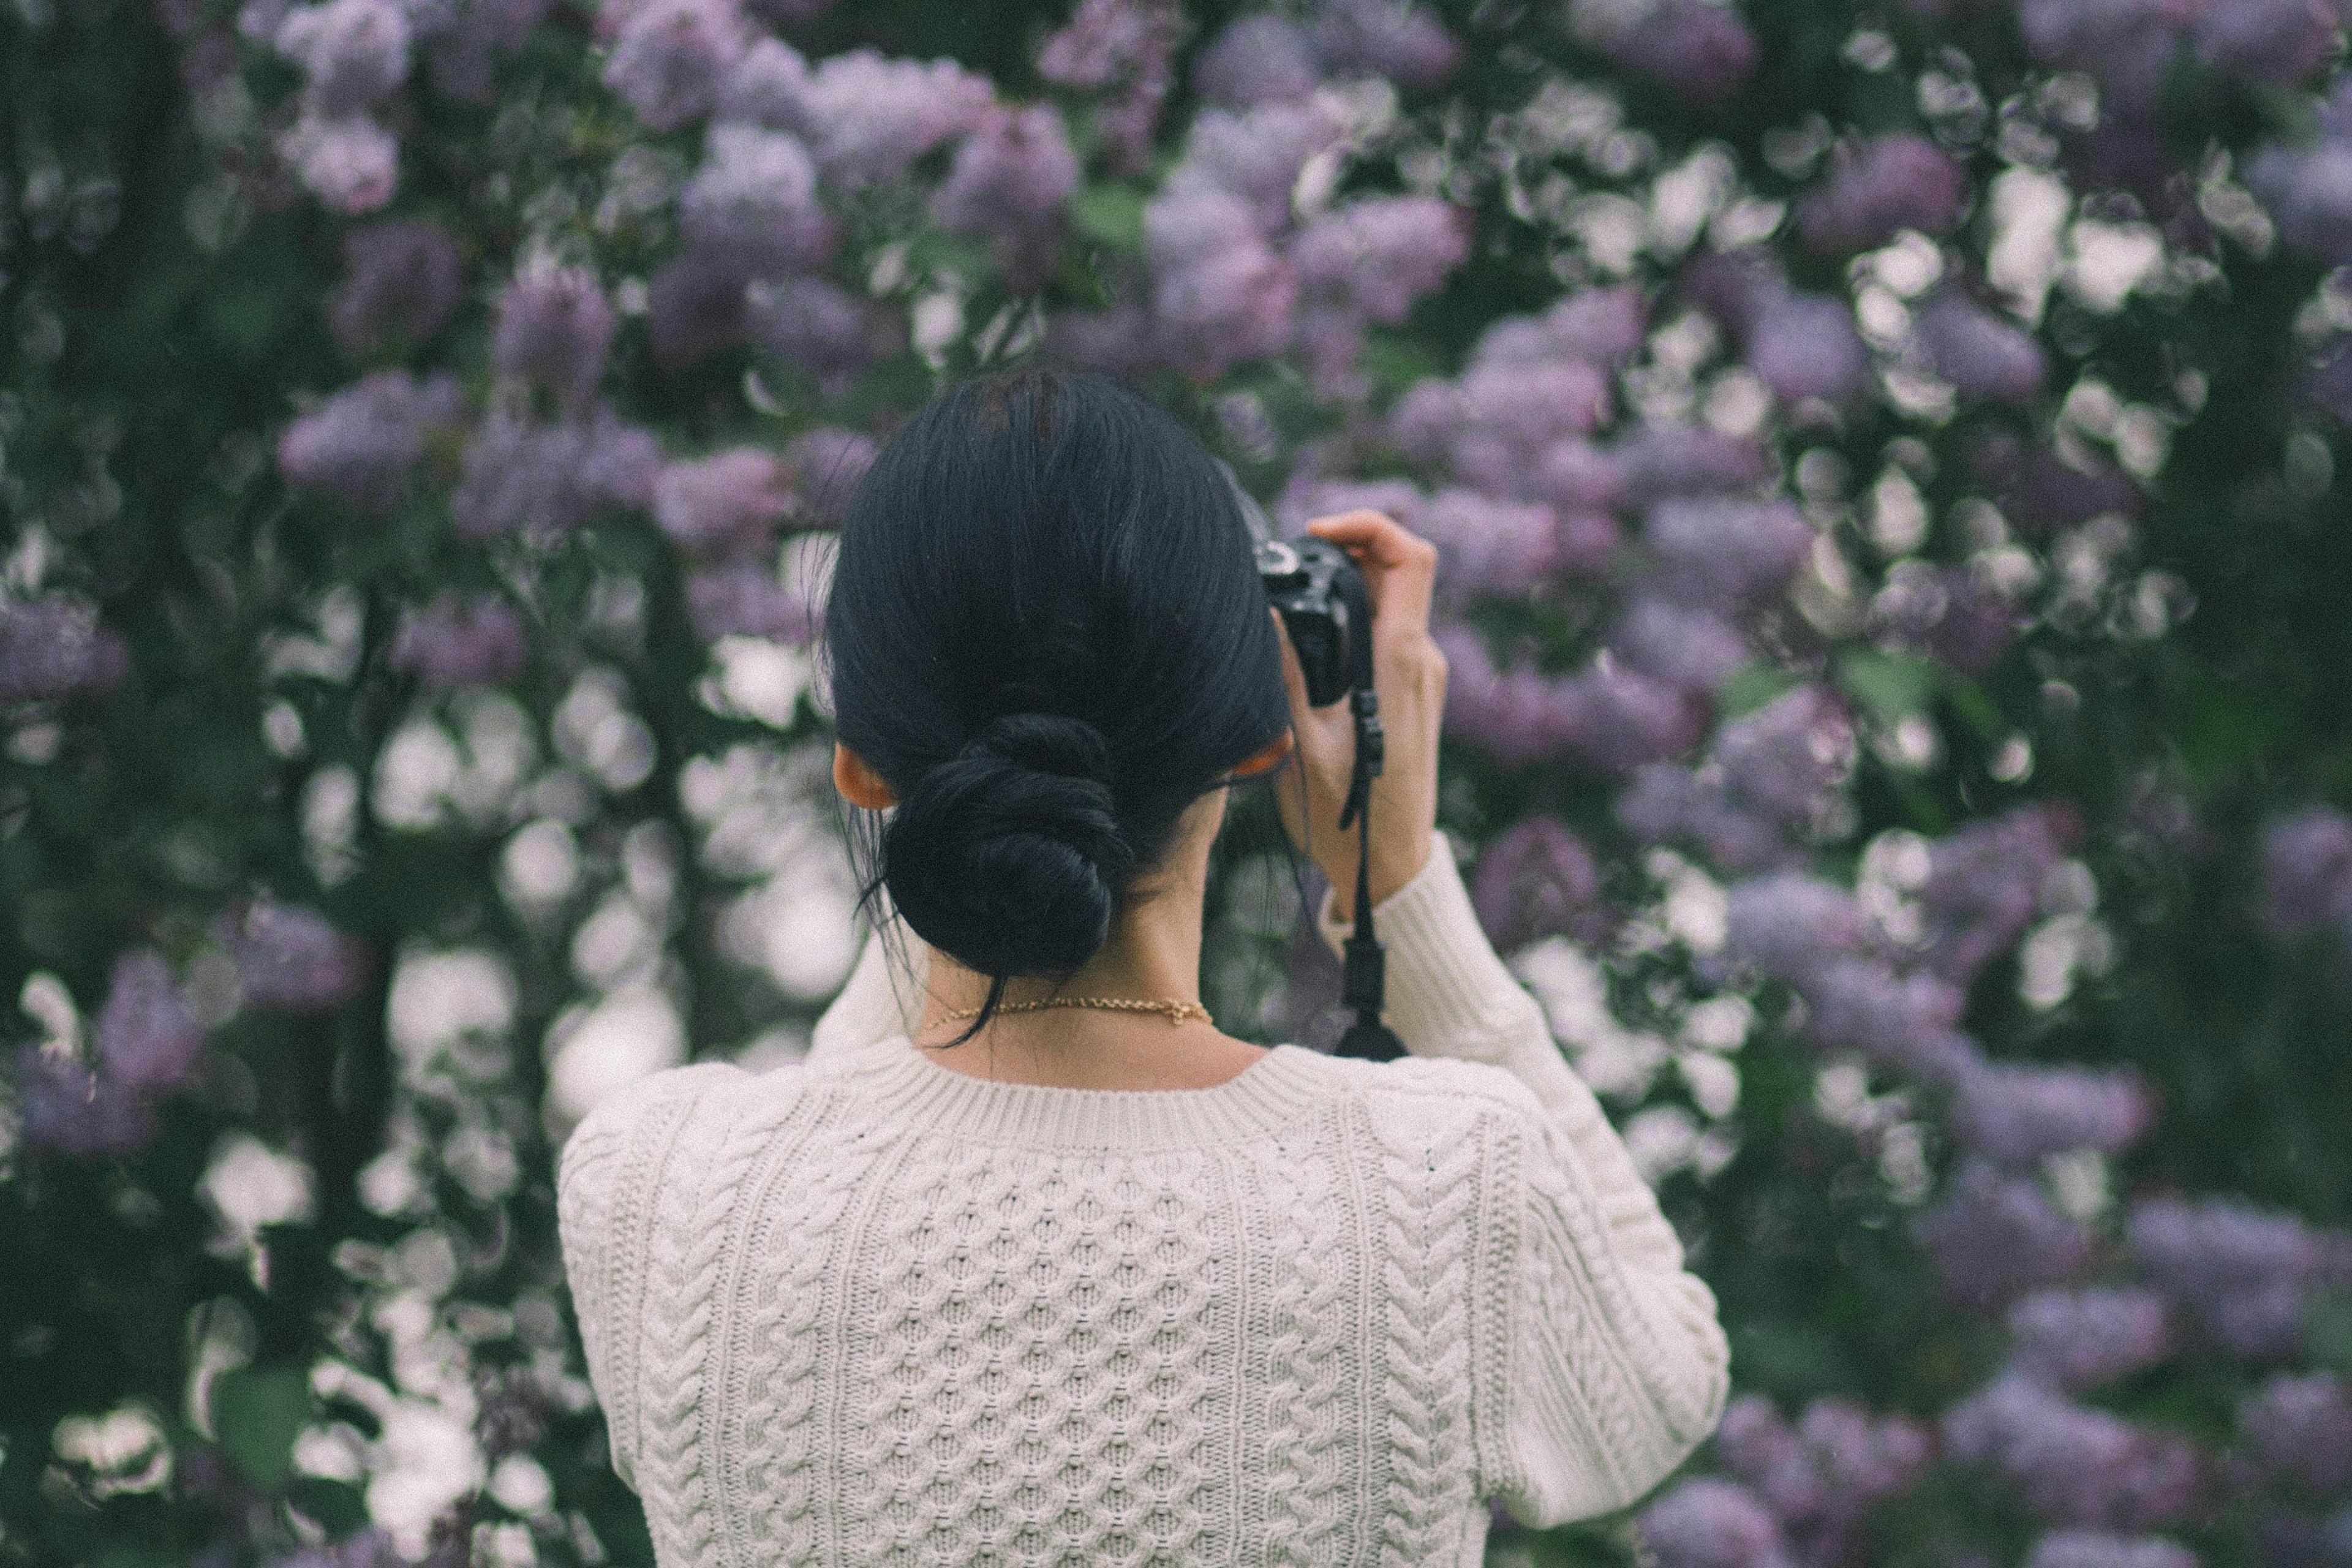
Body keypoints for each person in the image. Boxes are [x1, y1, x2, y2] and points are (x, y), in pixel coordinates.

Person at [556, 366, 1728, 1565]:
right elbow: (1666, 1376)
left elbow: (844, 1187)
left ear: (859, 764)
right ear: (1264, 738)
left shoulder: (663, 1187)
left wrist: (970, 810)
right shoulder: (1448, 1180)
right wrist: (1399, 878)